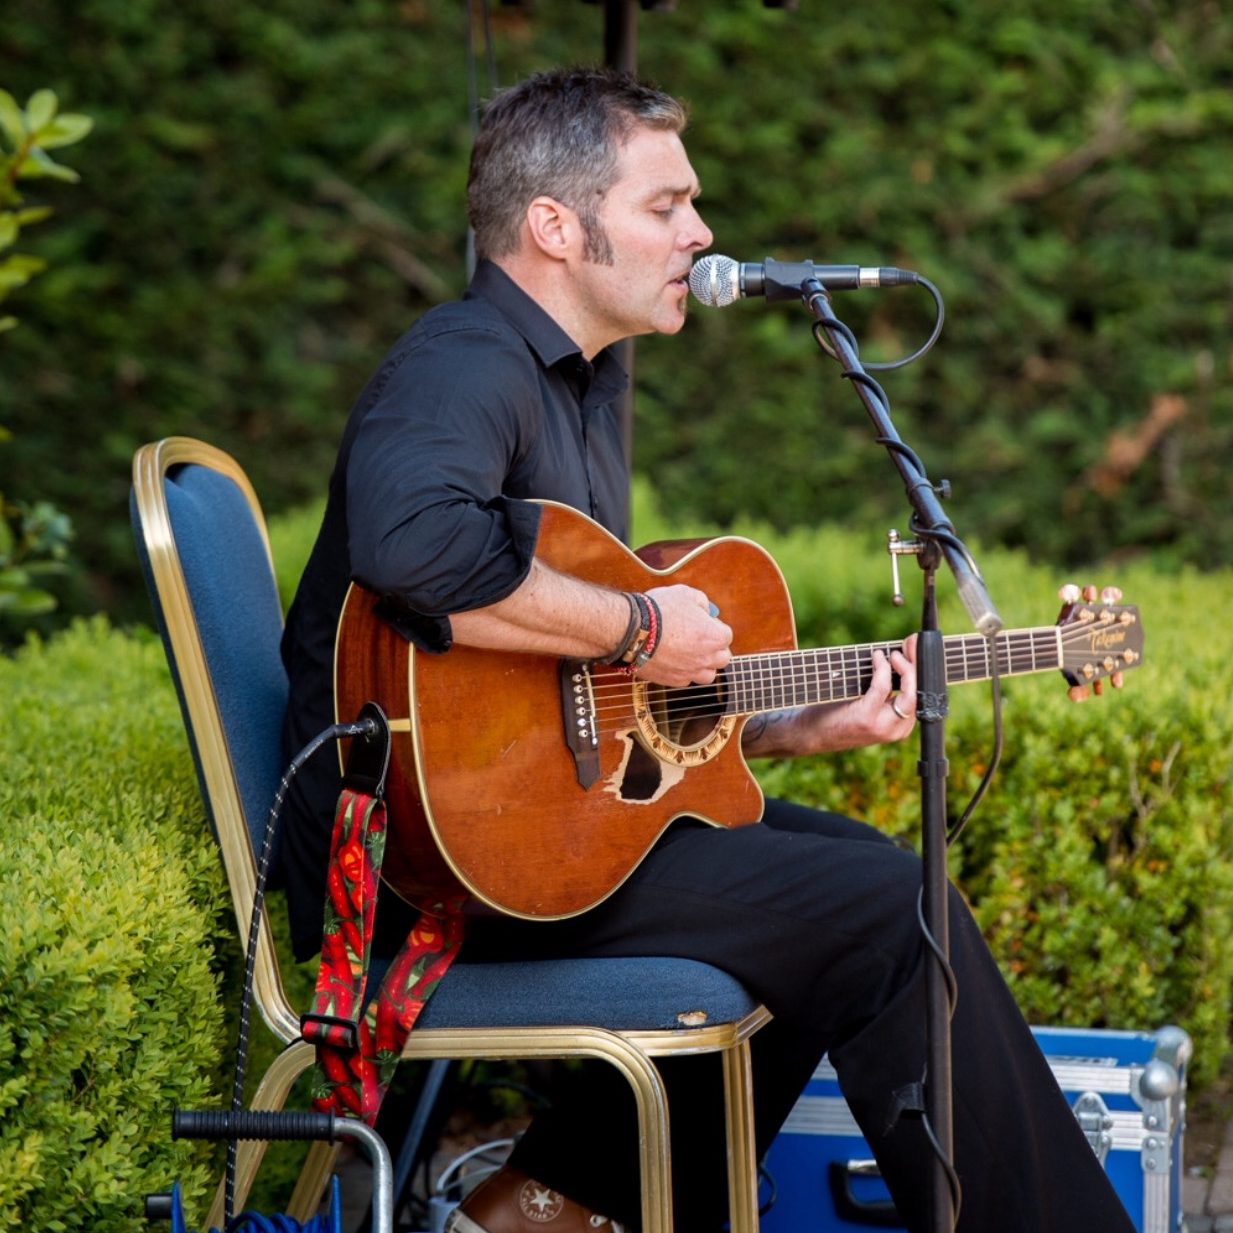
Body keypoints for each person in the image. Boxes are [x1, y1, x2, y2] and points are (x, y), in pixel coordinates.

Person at [280, 66, 1137, 1233]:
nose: (703, 230)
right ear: (554, 227)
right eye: (666, 205)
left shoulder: (581, 385)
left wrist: (785, 725)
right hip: (423, 870)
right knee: (882, 906)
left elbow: (572, 698)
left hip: (525, 837)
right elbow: (413, 547)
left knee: (840, 872)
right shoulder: (463, 361)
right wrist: (641, 621)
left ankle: (539, 1209)